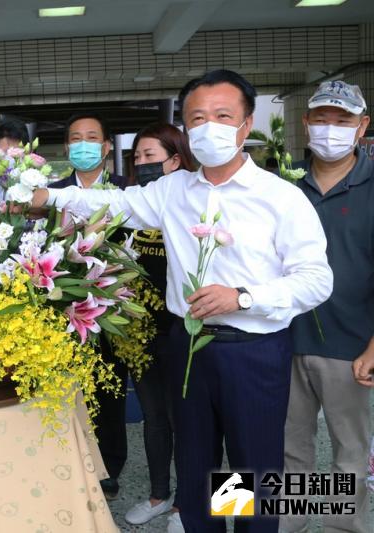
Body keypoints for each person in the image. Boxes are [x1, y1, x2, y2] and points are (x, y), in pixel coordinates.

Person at [28, 69, 334, 533]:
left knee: (249, 463)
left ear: (246, 125)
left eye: (222, 115)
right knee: (196, 462)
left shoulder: (280, 197)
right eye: (197, 117)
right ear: (187, 130)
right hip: (188, 345)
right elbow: (113, 204)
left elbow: (315, 280)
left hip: (251, 351)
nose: (209, 126)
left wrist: (244, 296)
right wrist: (44, 196)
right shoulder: (173, 191)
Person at [283, 80, 373, 533]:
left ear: (363, 126)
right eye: (322, 119)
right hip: (281, 340)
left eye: (343, 120)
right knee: (289, 448)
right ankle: (289, 525)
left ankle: (344, 528)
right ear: (306, 123)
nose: (330, 129)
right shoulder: (283, 183)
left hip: (352, 344)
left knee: (348, 451)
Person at [47, 113, 129, 500]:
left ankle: (109, 467)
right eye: (75, 137)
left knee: (109, 390)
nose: (83, 144)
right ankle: (67, 464)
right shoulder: (50, 193)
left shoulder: (129, 192)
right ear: (66, 147)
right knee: (65, 389)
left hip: (112, 303)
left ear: (107, 146)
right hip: (61, 304)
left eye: (92, 137)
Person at [123, 122, 198, 528]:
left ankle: (185, 504)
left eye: (151, 156)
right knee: (154, 418)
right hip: (141, 330)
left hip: (185, 330)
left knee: (187, 419)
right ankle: (158, 493)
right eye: (137, 158)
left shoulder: (193, 203)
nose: (143, 164)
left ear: (176, 158)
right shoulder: (134, 206)